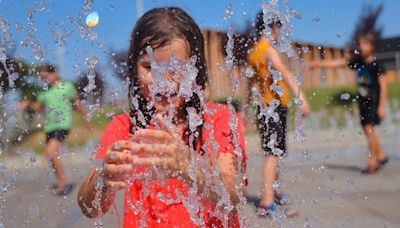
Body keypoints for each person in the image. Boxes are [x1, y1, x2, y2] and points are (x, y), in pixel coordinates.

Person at [77, 7, 246, 227]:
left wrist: (189, 166)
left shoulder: (219, 119)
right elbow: (89, 208)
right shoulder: (125, 128)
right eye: (149, 67)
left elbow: (231, 198)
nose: (162, 81)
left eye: (176, 68)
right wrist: (103, 179)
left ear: (196, 68)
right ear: (133, 68)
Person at [241, 12, 310, 217]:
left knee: (275, 153)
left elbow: (248, 85)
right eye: (278, 26)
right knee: (273, 155)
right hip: (274, 108)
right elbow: (285, 73)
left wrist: (244, 110)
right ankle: (267, 202)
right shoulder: (269, 50)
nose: (279, 31)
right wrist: (301, 99)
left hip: (264, 109)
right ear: (272, 27)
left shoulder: (254, 52)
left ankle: (275, 193)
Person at [308, 33, 388, 174]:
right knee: (368, 130)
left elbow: (383, 86)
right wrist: (317, 64)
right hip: (362, 101)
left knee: (368, 130)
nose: (361, 47)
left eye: (365, 44)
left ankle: (372, 161)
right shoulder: (359, 62)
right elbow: (337, 63)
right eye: (360, 44)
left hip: (373, 102)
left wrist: (381, 106)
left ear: (372, 47)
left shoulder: (376, 65)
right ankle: (381, 155)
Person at [18, 64, 90, 195]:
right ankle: (61, 181)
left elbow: (77, 103)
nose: (44, 79)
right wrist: (27, 104)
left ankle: (62, 184)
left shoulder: (67, 87)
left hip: (63, 125)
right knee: (51, 156)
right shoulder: (44, 92)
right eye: (42, 77)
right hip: (49, 127)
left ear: (54, 73)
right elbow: (37, 107)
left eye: (46, 75)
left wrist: (86, 117)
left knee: (50, 153)